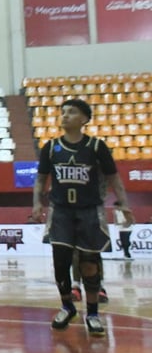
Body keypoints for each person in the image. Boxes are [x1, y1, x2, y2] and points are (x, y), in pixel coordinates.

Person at [32, 98, 132, 337]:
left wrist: (124, 204)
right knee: (61, 263)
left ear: (84, 119)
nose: (65, 115)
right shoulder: (51, 147)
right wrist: (36, 203)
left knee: (89, 263)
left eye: (72, 112)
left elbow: (113, 178)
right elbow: (40, 179)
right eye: (63, 112)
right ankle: (67, 307)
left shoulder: (96, 147)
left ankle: (93, 313)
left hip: (89, 211)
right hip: (61, 211)